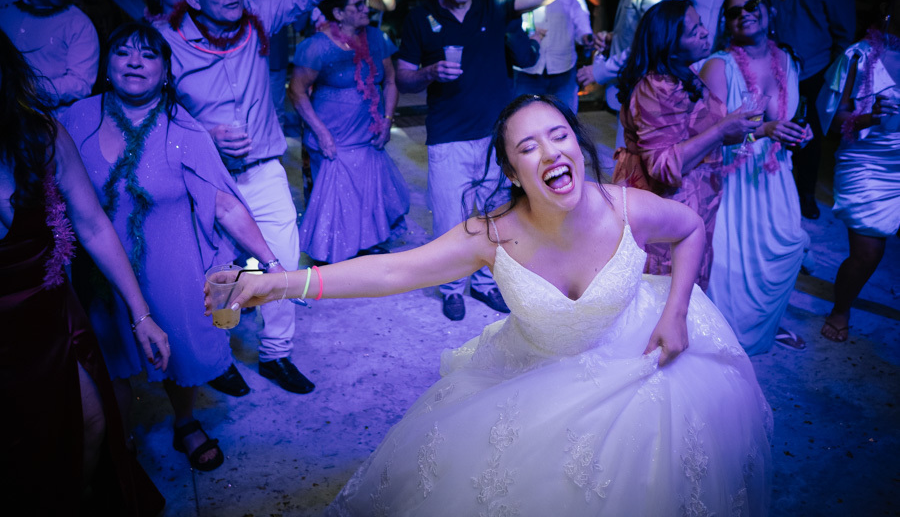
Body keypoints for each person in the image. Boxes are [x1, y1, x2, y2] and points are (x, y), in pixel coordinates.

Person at [208, 95, 773, 516]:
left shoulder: (624, 206)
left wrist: (674, 312)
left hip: (641, 356)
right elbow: (393, 269)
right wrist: (283, 282)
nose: (550, 152)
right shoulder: (492, 235)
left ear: (577, 146)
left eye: (559, 136)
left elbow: (691, 228)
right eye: (528, 147)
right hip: (540, 373)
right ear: (512, 172)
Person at [160, 0, 392, 394]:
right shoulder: (167, 42)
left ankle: (275, 354)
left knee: (281, 265)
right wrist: (204, 135)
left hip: (263, 170)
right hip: (207, 180)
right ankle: (218, 357)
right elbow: (154, 115)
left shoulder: (258, 15)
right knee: (221, 272)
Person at [60, 23, 288, 471]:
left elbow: (224, 205)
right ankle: (117, 440)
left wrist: (273, 263)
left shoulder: (184, 128)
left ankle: (185, 422)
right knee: (107, 357)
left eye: (147, 55)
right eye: (123, 53)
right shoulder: (74, 119)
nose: (134, 62)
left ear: (166, 71)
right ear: (107, 64)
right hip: (98, 270)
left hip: (172, 264)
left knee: (180, 348)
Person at [0, 29, 168, 515]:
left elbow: (92, 225)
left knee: (92, 421)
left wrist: (141, 316)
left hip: (50, 319)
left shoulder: (41, 134)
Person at [396, 0, 561, 321]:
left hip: (494, 136)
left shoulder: (493, 0)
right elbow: (403, 76)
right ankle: (452, 286)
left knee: (495, 215)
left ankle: (487, 283)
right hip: (448, 137)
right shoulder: (421, 17)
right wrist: (429, 72)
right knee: (450, 220)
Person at [613, 0, 757, 290]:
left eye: (701, 24)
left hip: (693, 203)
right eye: (693, 31)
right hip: (667, 211)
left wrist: (745, 128)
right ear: (670, 44)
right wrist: (721, 130)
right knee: (664, 295)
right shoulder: (656, 87)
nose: (704, 33)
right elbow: (662, 165)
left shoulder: (682, 73)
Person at [699, 0, 812, 354]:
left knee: (786, 248)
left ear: (768, 10)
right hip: (733, 177)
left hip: (775, 173)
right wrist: (763, 129)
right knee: (731, 262)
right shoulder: (719, 66)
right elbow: (705, 134)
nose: (744, 13)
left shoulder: (788, 60)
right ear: (727, 24)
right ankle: (727, 336)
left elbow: (786, 118)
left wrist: (799, 131)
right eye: (733, 12)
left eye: (751, 5)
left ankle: (765, 325)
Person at [289, 0, 409, 262]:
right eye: (358, 5)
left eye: (365, 2)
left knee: (367, 194)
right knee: (338, 200)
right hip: (334, 139)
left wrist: (388, 121)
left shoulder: (378, 39)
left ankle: (365, 245)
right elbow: (296, 91)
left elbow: (390, 81)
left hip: (368, 136)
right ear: (338, 13)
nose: (365, 8)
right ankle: (335, 254)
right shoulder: (316, 47)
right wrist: (321, 133)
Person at [817, 0, 900, 343]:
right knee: (868, 252)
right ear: (887, 9)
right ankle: (841, 307)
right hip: (867, 161)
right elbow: (834, 121)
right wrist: (871, 117)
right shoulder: (860, 57)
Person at [761, 0, 856, 220]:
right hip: (773, 71)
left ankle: (805, 194)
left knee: (809, 135)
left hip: (816, 72)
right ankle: (770, 193)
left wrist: (834, 81)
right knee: (771, 130)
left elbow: (845, 36)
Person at [0, 0, 99, 110]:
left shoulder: (79, 23)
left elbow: (81, 82)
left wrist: (30, 89)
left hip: (45, 126)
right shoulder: (3, 7)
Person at [226, 0, 294, 133]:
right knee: (275, 113)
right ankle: (276, 163)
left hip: (232, 46)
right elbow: (289, 9)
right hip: (273, 46)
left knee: (235, 113)